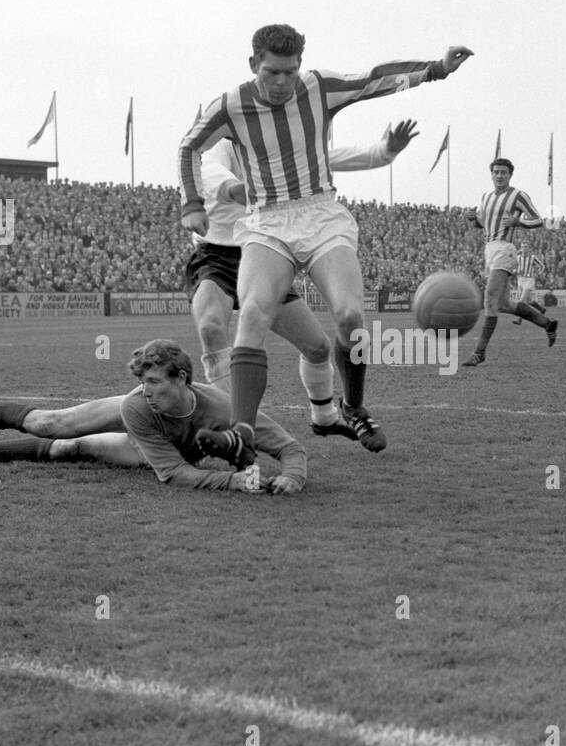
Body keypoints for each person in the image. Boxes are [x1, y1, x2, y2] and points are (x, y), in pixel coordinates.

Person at [176, 24, 473, 466]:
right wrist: (193, 204)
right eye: (272, 72)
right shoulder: (231, 105)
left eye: (290, 72)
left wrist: (434, 70)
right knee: (254, 312)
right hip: (266, 220)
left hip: (320, 214)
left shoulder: (317, 87)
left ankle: (351, 406)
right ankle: (241, 432)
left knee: (351, 314)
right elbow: (189, 147)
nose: (281, 83)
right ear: (253, 64)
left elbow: (371, 79)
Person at [189, 119, 419, 445]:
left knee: (317, 347)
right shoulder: (223, 149)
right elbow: (209, 172)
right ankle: (231, 428)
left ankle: (324, 418)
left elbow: (334, 157)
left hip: (267, 254)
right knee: (212, 327)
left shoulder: (283, 155)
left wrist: (384, 151)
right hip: (217, 257)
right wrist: (238, 189)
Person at [0, 340, 306, 494]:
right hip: (149, 431)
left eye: (154, 382)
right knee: (50, 425)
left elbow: (290, 448)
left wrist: (291, 477)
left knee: (72, 449)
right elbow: (173, 475)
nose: (147, 389)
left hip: (162, 445)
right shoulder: (138, 404)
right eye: (142, 382)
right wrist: (232, 480)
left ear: (182, 379)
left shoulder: (225, 409)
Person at [460, 159, 558, 366]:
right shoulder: (486, 197)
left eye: (503, 172)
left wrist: (518, 221)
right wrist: (472, 218)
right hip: (489, 249)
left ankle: (479, 352)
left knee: (489, 300)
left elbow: (538, 219)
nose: (499, 175)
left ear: (510, 175)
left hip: (505, 248)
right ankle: (547, 324)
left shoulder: (517, 195)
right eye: (496, 172)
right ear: (491, 174)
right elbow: (482, 224)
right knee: (504, 304)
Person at [510, 244, 547, 324]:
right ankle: (541, 309)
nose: (524, 248)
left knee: (522, 301)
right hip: (520, 280)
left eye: (526, 247)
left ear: (529, 249)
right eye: (523, 247)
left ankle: (519, 320)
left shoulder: (532, 258)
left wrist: (538, 274)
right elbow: (512, 268)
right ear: (521, 248)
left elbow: (542, 266)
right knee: (528, 301)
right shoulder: (518, 258)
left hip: (529, 280)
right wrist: (515, 271)